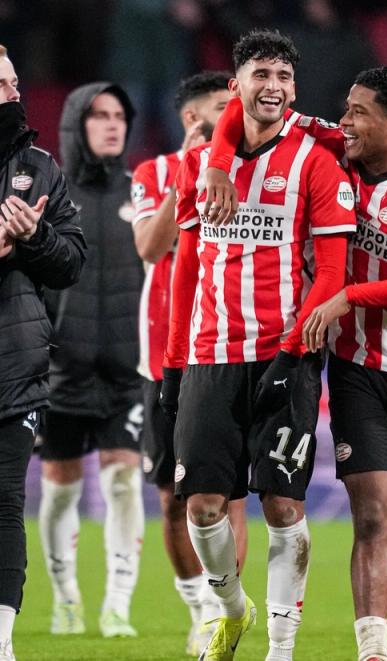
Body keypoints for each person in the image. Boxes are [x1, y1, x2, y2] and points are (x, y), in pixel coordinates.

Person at [204, 65, 387, 661]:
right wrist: (219, 162)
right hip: (354, 366)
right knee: (372, 516)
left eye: (358, 112)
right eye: (344, 109)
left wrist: (349, 295)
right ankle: (372, 652)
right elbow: (239, 112)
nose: (343, 121)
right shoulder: (333, 152)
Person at [160, 29, 355, 661]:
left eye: (283, 77)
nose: (272, 87)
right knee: (202, 504)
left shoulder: (315, 159)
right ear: (236, 85)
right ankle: (230, 609)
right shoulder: (199, 167)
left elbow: (330, 273)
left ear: (294, 90)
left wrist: (297, 350)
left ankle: (282, 647)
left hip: (285, 352)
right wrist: (172, 360)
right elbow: (186, 266)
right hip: (210, 353)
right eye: (260, 74)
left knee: (282, 504)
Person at [127, 70, 248, 656]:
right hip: (164, 358)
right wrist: (188, 176)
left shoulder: (246, 171)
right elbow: (150, 247)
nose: (237, 112)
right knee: (173, 500)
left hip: (227, 351)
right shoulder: (152, 173)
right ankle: (200, 609)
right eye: (225, 105)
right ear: (192, 118)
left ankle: (228, 609)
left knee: (229, 493)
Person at [37, 79, 144, 639]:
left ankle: (118, 607)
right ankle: (67, 600)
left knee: (125, 483)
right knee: (60, 487)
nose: (112, 124)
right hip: (61, 372)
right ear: (76, 124)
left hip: (128, 374)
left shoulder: (142, 193)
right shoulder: (48, 195)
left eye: (119, 116)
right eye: (98, 115)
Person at [0, 44, 86, 661]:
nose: (12, 92)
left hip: (14, 364)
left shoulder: (39, 167)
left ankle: (1, 642)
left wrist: (34, 238)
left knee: (5, 504)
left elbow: (70, 263)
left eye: (12, 80)